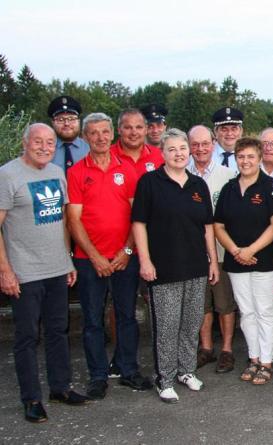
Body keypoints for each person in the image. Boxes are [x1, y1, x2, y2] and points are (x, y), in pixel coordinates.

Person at [0, 123, 88, 423]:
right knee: (26, 336)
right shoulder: (8, 175)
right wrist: (5, 270)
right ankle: (32, 398)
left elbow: (63, 221)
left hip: (56, 269)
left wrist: (67, 260)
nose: (44, 146)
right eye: (38, 141)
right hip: (24, 272)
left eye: (49, 142)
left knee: (58, 331)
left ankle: (60, 387)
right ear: (25, 143)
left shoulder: (55, 173)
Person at [67, 112, 152, 400]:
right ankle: (98, 375)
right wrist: (95, 257)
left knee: (127, 315)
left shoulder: (127, 169)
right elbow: (74, 220)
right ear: (85, 137)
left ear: (111, 134)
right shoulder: (77, 172)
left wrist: (127, 251)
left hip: (125, 257)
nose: (100, 138)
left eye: (105, 132)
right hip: (89, 260)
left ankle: (128, 370)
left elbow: (136, 215)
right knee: (92, 320)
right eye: (94, 133)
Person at [131, 128, 219, 403]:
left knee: (191, 323)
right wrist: (145, 260)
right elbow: (139, 224)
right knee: (167, 326)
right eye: (172, 149)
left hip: (195, 266)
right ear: (163, 153)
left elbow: (207, 226)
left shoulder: (197, 185)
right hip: (164, 268)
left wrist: (213, 261)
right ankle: (165, 378)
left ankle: (186, 370)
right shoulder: (149, 182)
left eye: (183, 148)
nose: (179, 153)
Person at [213, 137, 273, 385]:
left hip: (265, 259)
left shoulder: (270, 186)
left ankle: (266, 362)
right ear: (235, 159)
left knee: (264, 311)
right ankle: (253, 358)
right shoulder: (229, 188)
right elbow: (218, 225)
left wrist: (251, 249)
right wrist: (235, 251)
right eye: (241, 156)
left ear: (260, 158)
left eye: (251, 156)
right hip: (236, 261)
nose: (246, 161)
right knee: (248, 312)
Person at [187, 125, 238, 373]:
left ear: (213, 144)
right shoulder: (179, 173)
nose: (200, 149)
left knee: (224, 302)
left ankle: (227, 349)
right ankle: (206, 348)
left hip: (220, 251)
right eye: (195, 144)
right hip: (192, 252)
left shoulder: (228, 175)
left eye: (205, 143)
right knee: (201, 303)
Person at [110, 109, 164, 179]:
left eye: (139, 127)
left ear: (146, 130)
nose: (134, 133)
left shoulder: (159, 156)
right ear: (119, 130)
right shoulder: (106, 156)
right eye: (128, 128)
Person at [48, 95, 89, 171]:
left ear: (79, 121)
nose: (66, 123)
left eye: (71, 119)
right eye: (60, 119)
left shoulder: (90, 149)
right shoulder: (45, 150)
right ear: (53, 123)